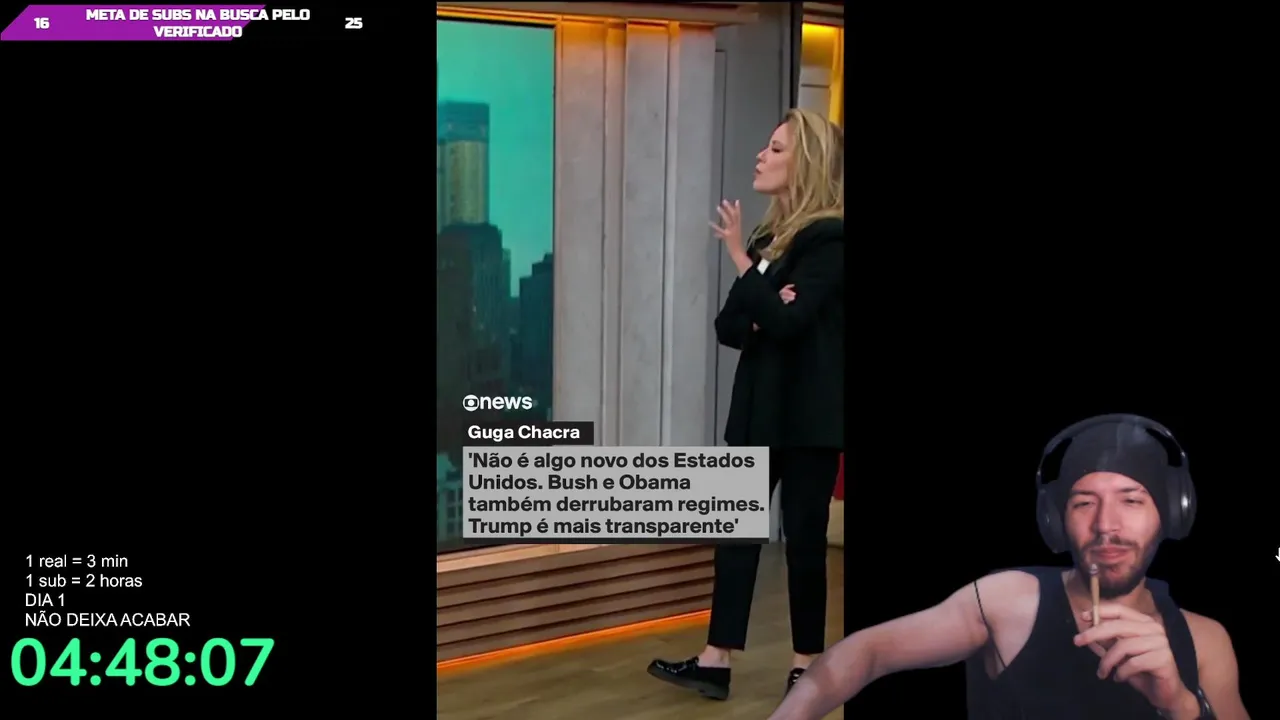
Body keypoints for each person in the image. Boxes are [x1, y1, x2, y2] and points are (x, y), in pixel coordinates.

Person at [768, 414, 1250, 720]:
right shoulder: (1007, 601)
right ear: (1056, 519)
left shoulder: (1206, 640)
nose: (1106, 525)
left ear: (1171, 512)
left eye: (1131, 500)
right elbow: (868, 650)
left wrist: (1181, 705)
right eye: (1084, 502)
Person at [647, 108, 845, 701]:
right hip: (756, 412)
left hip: (809, 418)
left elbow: (786, 322)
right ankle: (716, 660)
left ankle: (808, 664)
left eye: (776, 149)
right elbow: (730, 326)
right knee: (734, 539)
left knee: (804, 541)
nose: (761, 156)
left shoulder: (830, 240)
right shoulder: (768, 241)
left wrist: (742, 263)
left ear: (806, 163)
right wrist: (764, 295)